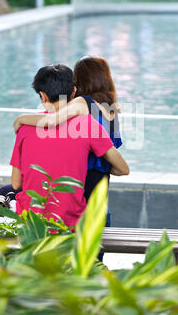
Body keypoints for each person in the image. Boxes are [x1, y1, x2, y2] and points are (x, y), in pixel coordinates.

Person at [7, 64, 129, 229]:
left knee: (4, 194)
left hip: (31, 222)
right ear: (73, 92)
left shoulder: (26, 128)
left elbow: (16, 184)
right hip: (71, 223)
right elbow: (123, 169)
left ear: (42, 96)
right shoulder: (88, 124)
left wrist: (19, 119)